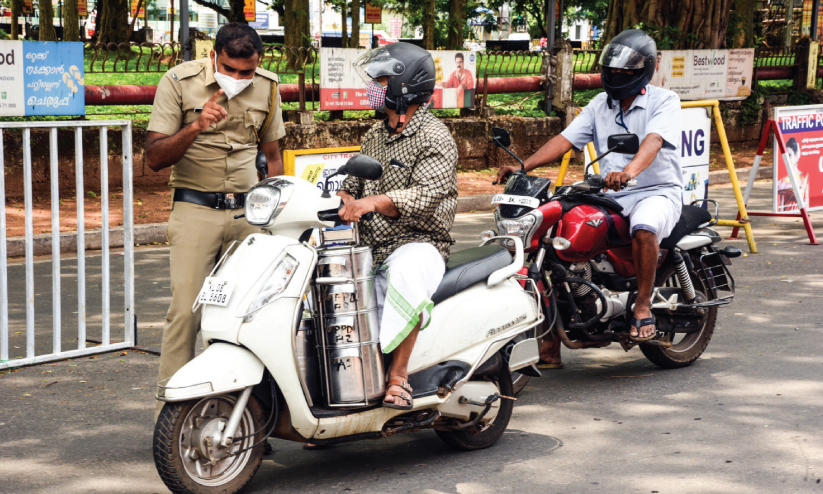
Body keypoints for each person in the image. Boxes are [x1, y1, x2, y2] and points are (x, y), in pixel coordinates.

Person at [495, 28, 683, 367]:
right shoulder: (600, 104)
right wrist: (523, 165)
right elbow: (565, 140)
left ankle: (641, 306)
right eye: (613, 69)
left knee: (643, 227)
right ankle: (549, 342)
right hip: (607, 193)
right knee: (552, 240)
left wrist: (629, 172)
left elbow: (653, 142)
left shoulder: (663, 101)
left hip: (654, 191)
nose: (617, 75)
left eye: (626, 71)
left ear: (645, 69)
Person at [145, 23, 285, 419]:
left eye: (248, 72)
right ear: (213, 57)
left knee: (249, 316)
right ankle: (169, 416)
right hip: (196, 210)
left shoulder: (269, 87)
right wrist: (197, 125)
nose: (240, 79)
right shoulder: (178, 81)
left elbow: (271, 156)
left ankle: (245, 418)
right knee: (187, 314)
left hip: (248, 215)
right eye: (230, 69)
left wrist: (274, 215)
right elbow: (154, 158)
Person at [340, 42, 458, 409]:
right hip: (373, 245)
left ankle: (399, 376)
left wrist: (373, 202)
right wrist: (344, 196)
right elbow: (355, 184)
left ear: (404, 85)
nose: (372, 86)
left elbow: (427, 196)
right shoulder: (375, 134)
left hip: (420, 243)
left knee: (405, 273)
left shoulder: (435, 137)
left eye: (380, 79)